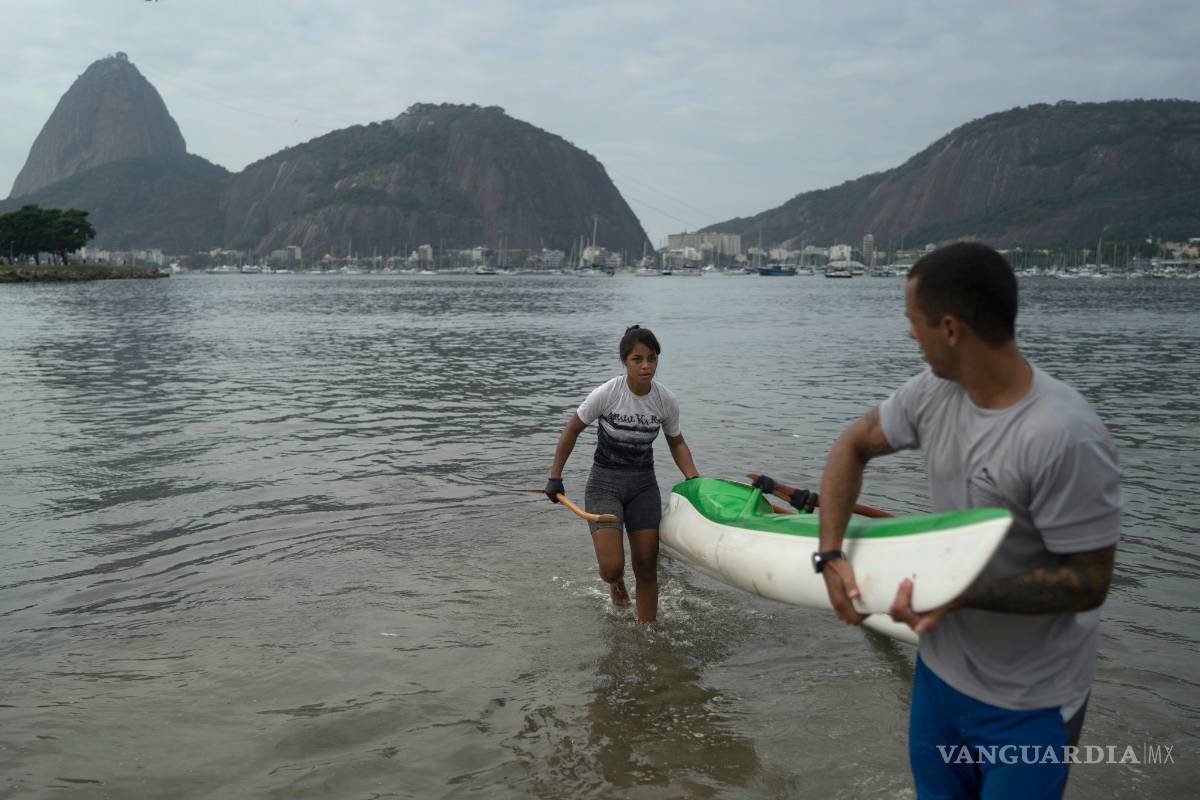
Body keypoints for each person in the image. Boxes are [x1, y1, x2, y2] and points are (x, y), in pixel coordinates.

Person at [815, 242, 1121, 798]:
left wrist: (958, 593)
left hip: (1031, 705)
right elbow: (852, 444)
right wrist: (831, 554)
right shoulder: (932, 394)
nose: (910, 334)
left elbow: (1090, 582)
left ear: (950, 328)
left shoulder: (1064, 434)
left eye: (914, 321)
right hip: (939, 686)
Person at [546, 325, 700, 623]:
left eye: (652, 359)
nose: (646, 366)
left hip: (644, 487)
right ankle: (616, 584)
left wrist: (693, 478)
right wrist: (555, 476)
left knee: (645, 565)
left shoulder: (665, 399)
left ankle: (648, 635)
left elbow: (677, 441)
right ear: (624, 361)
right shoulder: (607, 393)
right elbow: (572, 430)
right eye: (637, 359)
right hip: (605, 485)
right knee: (612, 568)